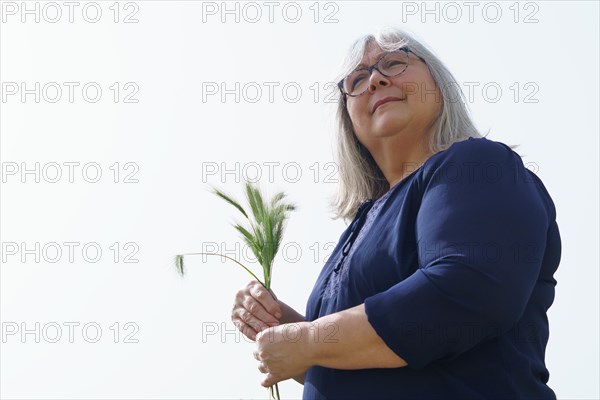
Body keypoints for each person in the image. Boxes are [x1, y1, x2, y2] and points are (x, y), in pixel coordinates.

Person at [231, 27, 561, 399]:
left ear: (437, 82)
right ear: (347, 118)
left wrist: (309, 340)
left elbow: (467, 293)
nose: (375, 79)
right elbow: (364, 363)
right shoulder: (360, 225)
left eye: (394, 62)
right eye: (357, 79)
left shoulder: (477, 165)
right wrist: (282, 326)